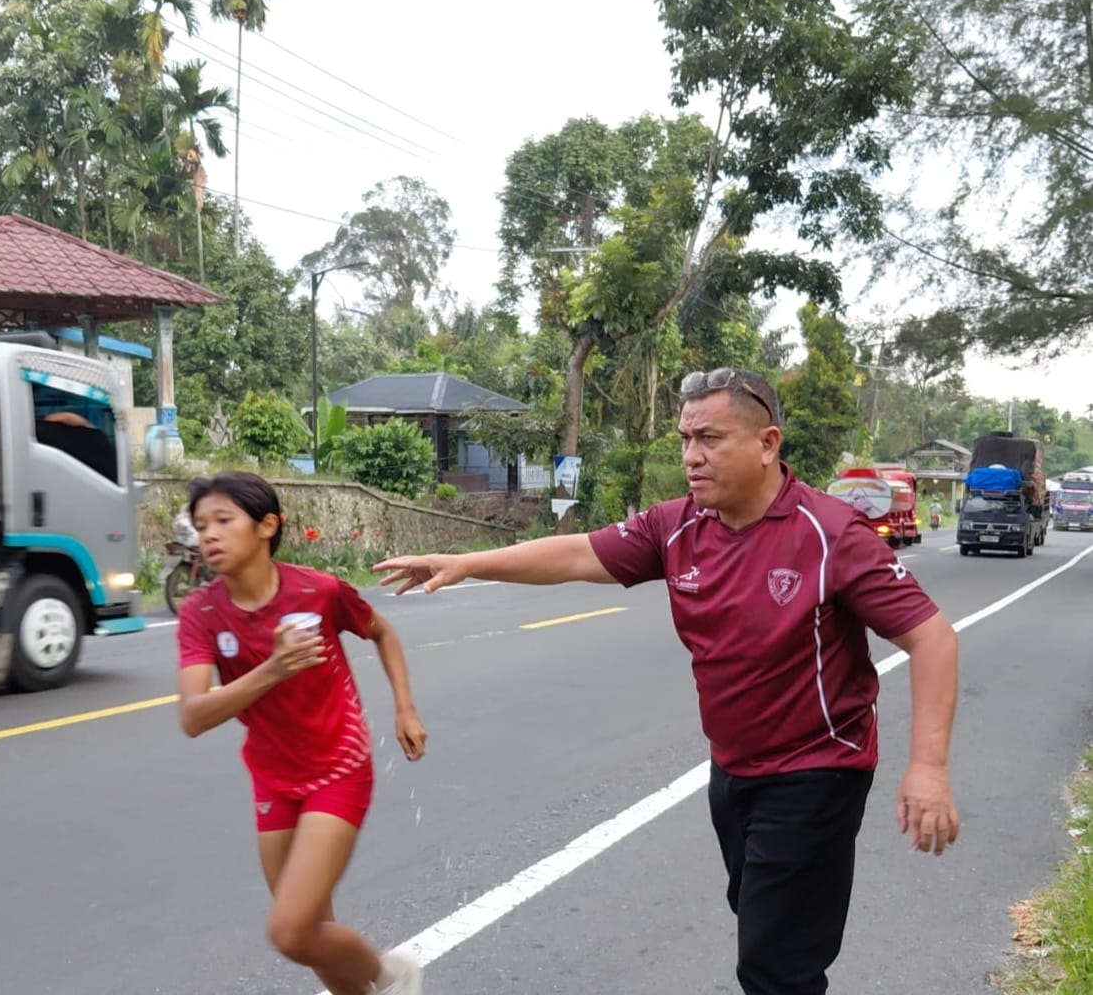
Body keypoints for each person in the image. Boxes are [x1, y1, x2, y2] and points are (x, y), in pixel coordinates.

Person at [375, 367, 960, 995]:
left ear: (767, 444)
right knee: (763, 925)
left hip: (817, 770)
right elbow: (576, 554)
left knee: (776, 966)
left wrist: (927, 767)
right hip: (733, 771)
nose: (691, 456)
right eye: (685, 438)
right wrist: (465, 563)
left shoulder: (830, 534)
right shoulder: (677, 526)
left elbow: (931, 637)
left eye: (709, 438)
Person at [177, 471, 428, 995]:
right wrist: (273, 669)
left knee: (291, 931)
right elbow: (194, 716)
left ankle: (390, 974)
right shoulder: (201, 614)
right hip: (272, 778)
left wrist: (405, 708)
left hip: (338, 767)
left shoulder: (318, 590)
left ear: (267, 525)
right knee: (312, 933)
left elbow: (383, 632)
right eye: (201, 525)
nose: (210, 535)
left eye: (224, 521)